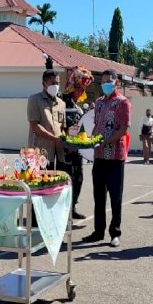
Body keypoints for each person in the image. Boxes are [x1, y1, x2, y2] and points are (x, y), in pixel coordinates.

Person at [81, 69, 131, 247]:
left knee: (115, 197)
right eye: (103, 82)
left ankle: (115, 232)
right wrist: (88, 141)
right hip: (99, 156)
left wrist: (106, 142)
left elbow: (123, 129)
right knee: (98, 196)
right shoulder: (99, 103)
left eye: (108, 81)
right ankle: (98, 231)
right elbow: (96, 126)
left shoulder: (123, 103)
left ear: (116, 82)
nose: (105, 85)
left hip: (116, 156)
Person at [62, 66, 93, 219]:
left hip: (78, 150)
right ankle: (65, 209)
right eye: (79, 88)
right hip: (66, 150)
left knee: (78, 178)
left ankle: (72, 207)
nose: (81, 92)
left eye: (82, 90)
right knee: (66, 179)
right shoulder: (63, 103)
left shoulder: (77, 106)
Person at [27, 56, 66, 168]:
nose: (56, 86)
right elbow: (35, 126)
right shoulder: (34, 99)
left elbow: (62, 128)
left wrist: (66, 140)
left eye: (57, 83)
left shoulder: (61, 103)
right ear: (44, 83)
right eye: (53, 83)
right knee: (41, 183)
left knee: (56, 182)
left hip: (58, 151)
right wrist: (55, 139)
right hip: (41, 151)